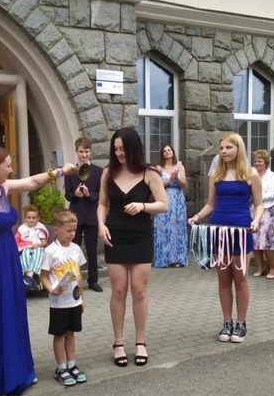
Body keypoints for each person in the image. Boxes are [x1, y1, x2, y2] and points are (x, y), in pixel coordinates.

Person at [0, 144, 76, 396]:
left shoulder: (3, 188)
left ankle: (16, 372)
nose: (11, 169)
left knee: (11, 314)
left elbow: (33, 182)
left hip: (8, 260)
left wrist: (60, 171)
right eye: (7, 165)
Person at [97, 127, 167, 368]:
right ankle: (118, 342)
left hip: (140, 236)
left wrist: (143, 206)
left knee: (139, 290)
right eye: (116, 149)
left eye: (123, 149)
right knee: (118, 290)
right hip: (115, 236)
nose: (119, 153)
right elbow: (102, 204)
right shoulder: (108, 172)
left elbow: (163, 204)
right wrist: (100, 225)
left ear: (133, 148)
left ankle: (140, 341)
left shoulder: (150, 173)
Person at [189, 133, 263, 343]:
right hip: (219, 231)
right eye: (221, 148)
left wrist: (256, 221)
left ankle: (241, 323)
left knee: (241, 279)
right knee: (223, 280)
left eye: (228, 147)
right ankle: (227, 322)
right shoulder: (216, 175)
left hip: (241, 231)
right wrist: (197, 216)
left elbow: (259, 204)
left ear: (239, 148)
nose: (223, 151)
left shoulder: (251, 174)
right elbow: (210, 204)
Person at [40, 209, 87, 386]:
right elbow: (43, 276)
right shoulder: (50, 251)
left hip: (74, 301)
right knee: (59, 334)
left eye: (74, 230)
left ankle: (72, 364)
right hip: (58, 303)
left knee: (71, 333)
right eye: (68, 230)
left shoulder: (76, 249)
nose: (72, 234)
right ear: (56, 230)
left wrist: (82, 299)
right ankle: (61, 368)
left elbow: (79, 274)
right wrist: (51, 289)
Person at [64, 137, 103, 292]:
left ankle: (93, 281)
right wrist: (74, 194)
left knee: (92, 250)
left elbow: (101, 194)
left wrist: (89, 194)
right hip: (75, 216)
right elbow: (67, 195)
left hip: (92, 215)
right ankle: (73, 280)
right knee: (73, 249)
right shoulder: (70, 172)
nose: (84, 155)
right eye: (81, 152)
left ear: (90, 152)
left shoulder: (98, 171)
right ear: (76, 152)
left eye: (87, 152)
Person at [153, 144, 188, 268]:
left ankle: (177, 259)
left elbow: (184, 185)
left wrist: (177, 178)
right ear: (162, 154)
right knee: (164, 228)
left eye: (169, 150)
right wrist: (170, 179)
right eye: (164, 151)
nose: (167, 152)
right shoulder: (159, 168)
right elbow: (158, 185)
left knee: (177, 228)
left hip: (178, 200)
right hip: (164, 198)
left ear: (173, 152)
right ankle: (163, 259)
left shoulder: (180, 166)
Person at [251, 149, 274, 279]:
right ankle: (260, 267)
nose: (257, 163)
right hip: (253, 210)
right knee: (255, 240)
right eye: (256, 161)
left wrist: (258, 197)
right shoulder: (252, 175)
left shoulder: (272, 176)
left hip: (267, 209)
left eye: (260, 161)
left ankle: (273, 268)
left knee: (267, 240)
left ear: (266, 162)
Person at [14, 204, 49, 289]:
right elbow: (17, 241)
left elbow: (44, 242)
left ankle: (30, 274)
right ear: (25, 219)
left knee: (38, 252)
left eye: (34, 218)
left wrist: (38, 245)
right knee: (25, 253)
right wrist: (27, 245)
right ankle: (27, 273)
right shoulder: (22, 229)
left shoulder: (39, 229)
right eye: (29, 218)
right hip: (26, 248)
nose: (31, 220)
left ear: (37, 218)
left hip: (37, 247)